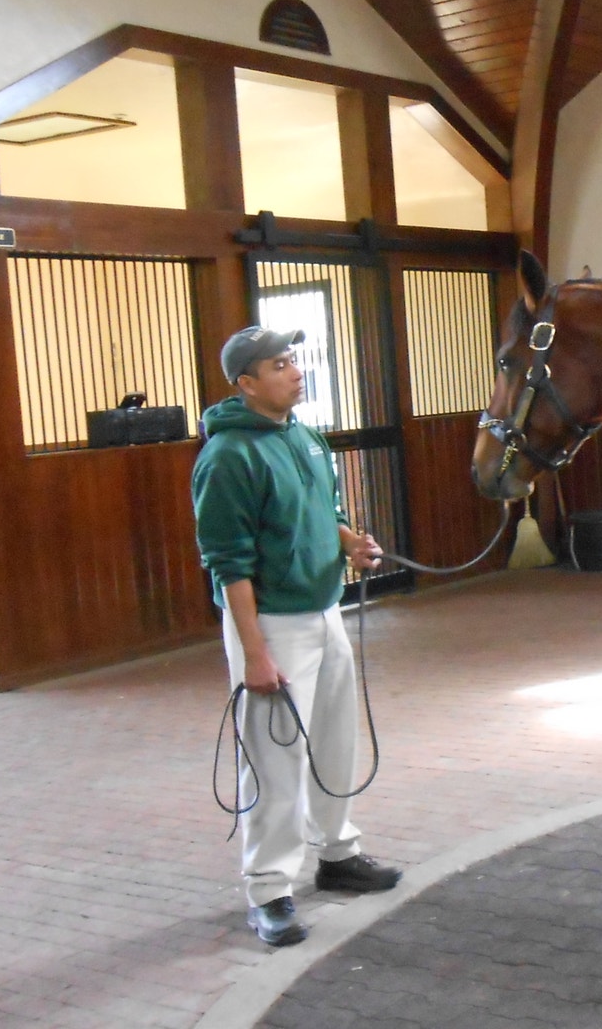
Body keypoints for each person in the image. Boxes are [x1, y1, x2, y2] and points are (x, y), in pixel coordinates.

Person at [192, 325, 401, 947]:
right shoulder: (228, 456)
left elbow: (327, 511)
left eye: (295, 360)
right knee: (274, 760)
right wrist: (254, 653)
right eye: (280, 363)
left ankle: (337, 854)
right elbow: (227, 561)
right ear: (247, 382)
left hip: (325, 612)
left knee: (335, 741)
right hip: (272, 628)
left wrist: (351, 544)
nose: (295, 370)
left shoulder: (306, 438)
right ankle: (269, 890)